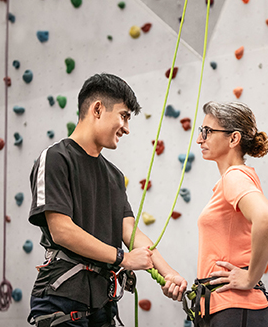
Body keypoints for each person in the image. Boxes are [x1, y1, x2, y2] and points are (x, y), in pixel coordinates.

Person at [27, 73, 187, 327]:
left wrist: (170, 274)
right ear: (98, 109)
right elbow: (61, 231)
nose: (127, 128)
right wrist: (123, 259)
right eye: (123, 116)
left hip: (103, 302)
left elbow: (130, 231)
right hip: (62, 297)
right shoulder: (57, 158)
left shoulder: (114, 175)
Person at [193, 101, 268, 326]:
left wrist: (251, 277)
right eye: (201, 131)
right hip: (227, 307)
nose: (200, 139)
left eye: (207, 131)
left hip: (234, 308)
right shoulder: (232, 179)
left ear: (233, 139)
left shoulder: (234, 177)